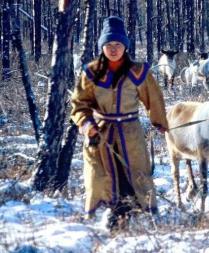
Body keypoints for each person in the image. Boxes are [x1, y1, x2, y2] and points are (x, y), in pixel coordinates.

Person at [70, 16, 168, 230]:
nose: (113, 49)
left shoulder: (138, 72)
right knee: (101, 176)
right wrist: (88, 126)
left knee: (135, 172)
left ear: (125, 46)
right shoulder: (91, 73)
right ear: (101, 47)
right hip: (100, 134)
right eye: (108, 45)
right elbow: (79, 105)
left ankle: (133, 213)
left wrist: (160, 123)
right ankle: (111, 214)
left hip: (130, 133)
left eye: (118, 44)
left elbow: (154, 98)